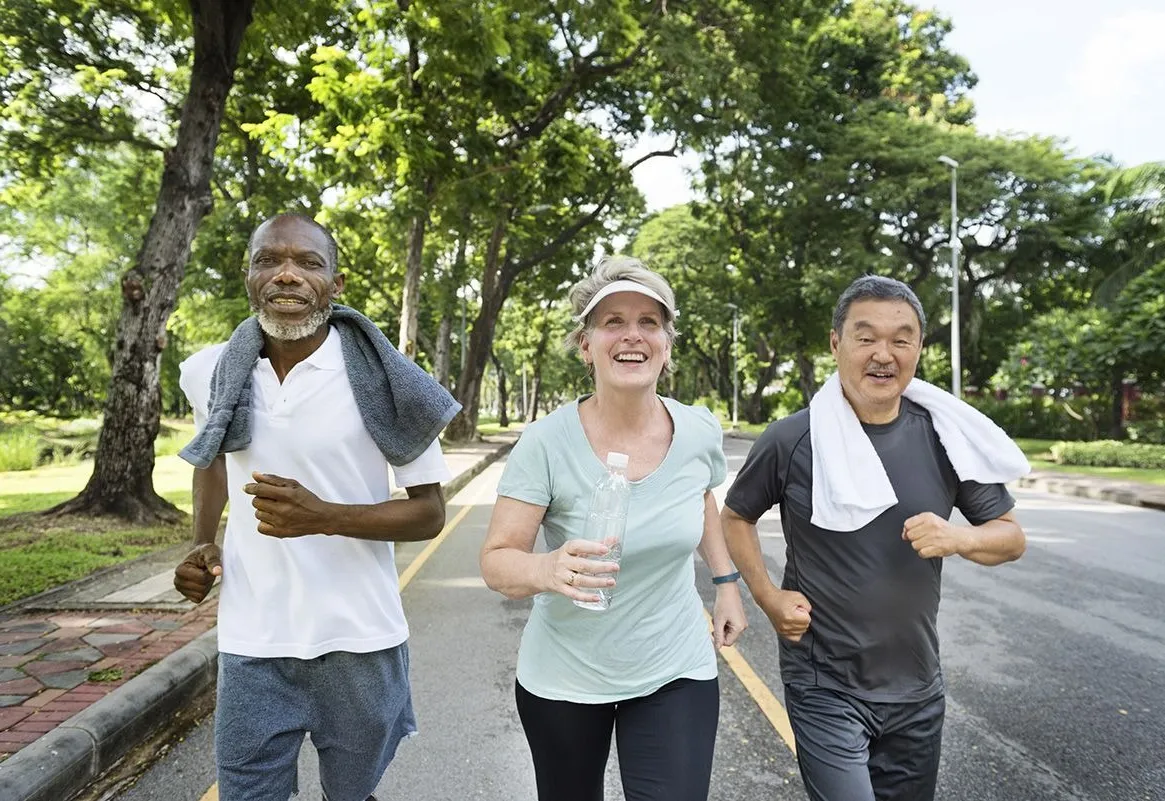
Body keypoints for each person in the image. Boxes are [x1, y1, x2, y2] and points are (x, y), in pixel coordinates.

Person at [172, 213, 460, 801]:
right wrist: (203, 541)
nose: (287, 274)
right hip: (253, 639)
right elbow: (213, 458)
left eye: (308, 262)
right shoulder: (208, 371)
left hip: (360, 641)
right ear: (249, 276)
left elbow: (430, 513)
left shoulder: (389, 381)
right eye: (268, 260)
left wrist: (325, 517)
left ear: (335, 283)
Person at [722, 275, 1028, 801]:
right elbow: (735, 517)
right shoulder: (791, 439)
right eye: (866, 338)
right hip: (824, 682)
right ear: (836, 343)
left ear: (919, 348)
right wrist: (768, 598)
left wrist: (958, 538)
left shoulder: (945, 438)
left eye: (901, 339)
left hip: (917, 687)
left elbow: (1011, 538)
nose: (883, 354)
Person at [479, 256, 748, 801]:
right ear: (586, 345)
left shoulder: (697, 429)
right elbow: (497, 561)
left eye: (649, 322)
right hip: (566, 675)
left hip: (675, 665)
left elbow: (700, 498)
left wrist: (726, 584)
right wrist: (548, 569)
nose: (632, 335)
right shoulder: (545, 443)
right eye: (613, 322)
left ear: (666, 345)